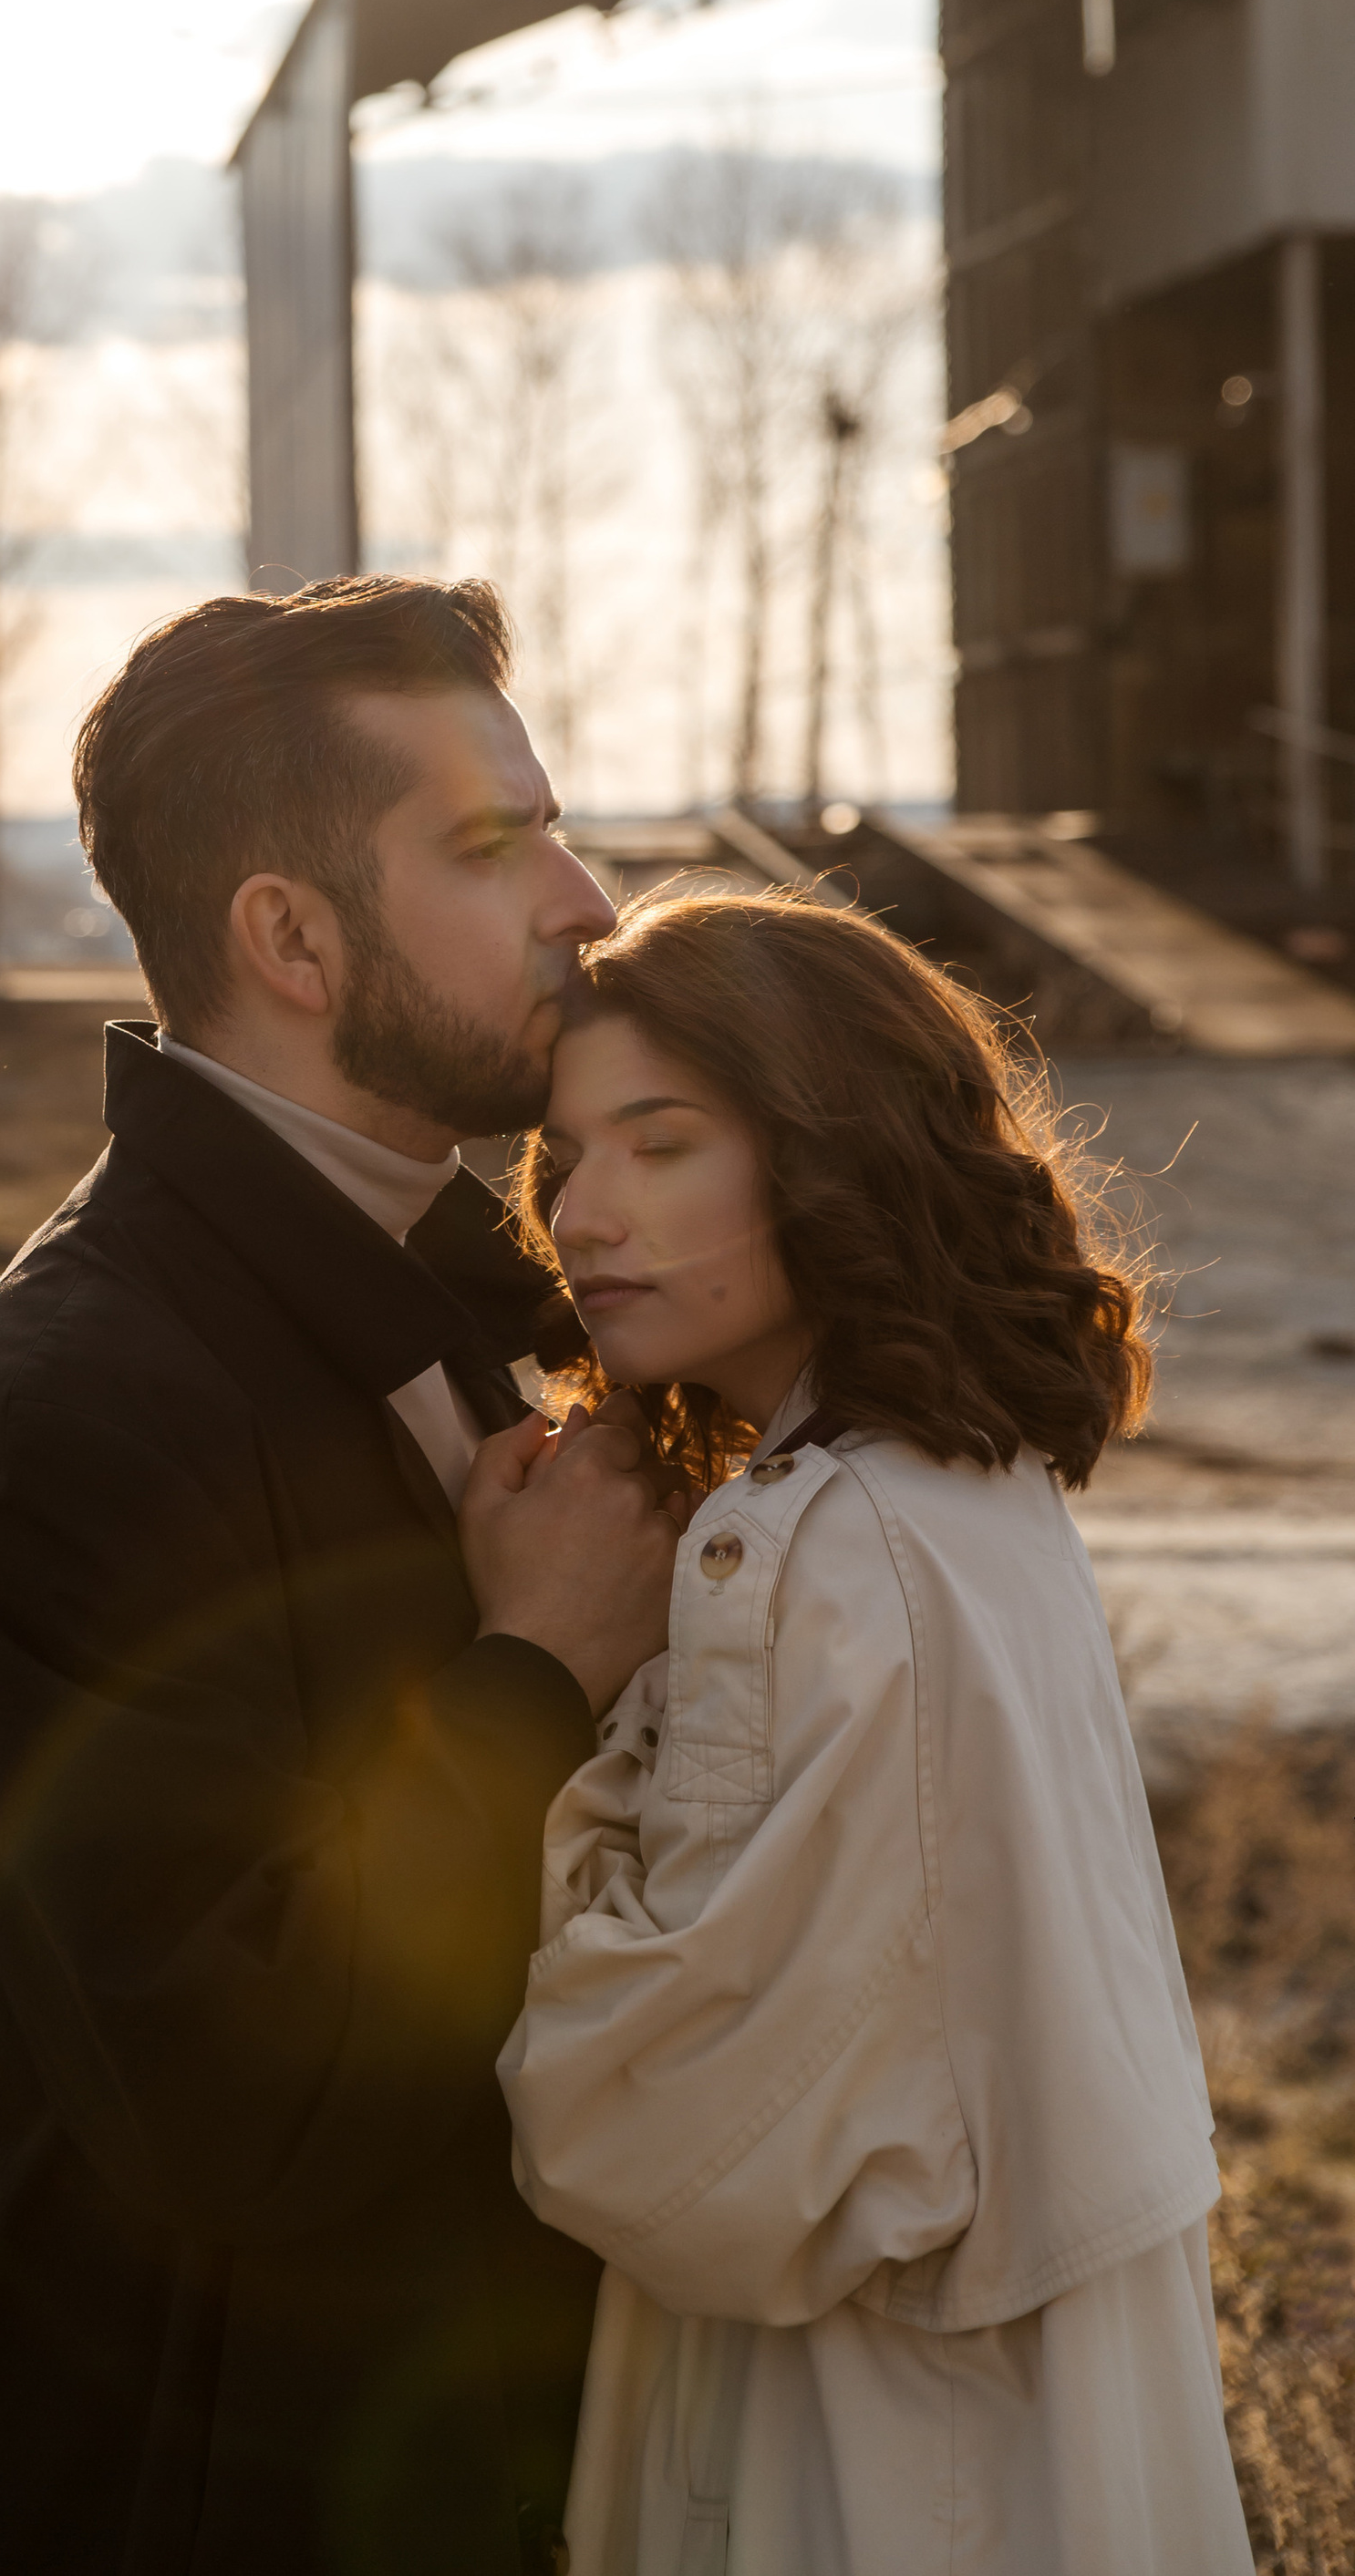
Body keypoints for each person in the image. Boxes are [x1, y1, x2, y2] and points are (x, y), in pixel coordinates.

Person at [0, 576, 684, 2576]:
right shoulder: (74, 1404)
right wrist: (534, 1668)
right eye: (490, 843)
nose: (585, 896)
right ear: (287, 937)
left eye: (553, 820)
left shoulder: (459, 1293)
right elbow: (234, 2087)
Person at [494, 884, 1252, 2576]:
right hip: (1051, 2414)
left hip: (870, 2453)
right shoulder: (970, 1483)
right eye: (563, 1158)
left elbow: (656, 2141)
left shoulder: (815, 1551)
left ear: (826, 1147)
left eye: (660, 1142)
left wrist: (538, 1676)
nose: (583, 1214)